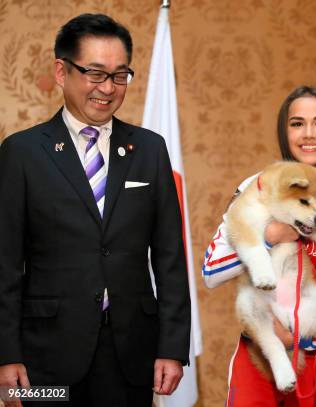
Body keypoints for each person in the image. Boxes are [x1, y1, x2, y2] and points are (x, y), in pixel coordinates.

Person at [0, 14, 190, 407]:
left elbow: (170, 258)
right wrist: (6, 355)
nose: (108, 88)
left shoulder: (150, 150)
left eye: (120, 76)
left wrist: (172, 346)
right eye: (95, 73)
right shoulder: (22, 153)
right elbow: (4, 264)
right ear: (61, 71)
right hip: (42, 359)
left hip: (131, 355)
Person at [203, 85, 316, 406]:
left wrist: (301, 336)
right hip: (261, 358)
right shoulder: (255, 188)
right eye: (297, 123)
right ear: (285, 133)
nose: (308, 134)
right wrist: (269, 237)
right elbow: (212, 270)